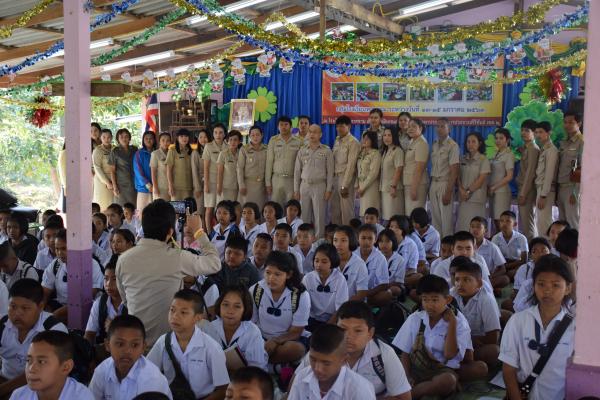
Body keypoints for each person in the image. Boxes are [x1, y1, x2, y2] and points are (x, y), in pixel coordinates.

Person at [116, 200, 220, 345]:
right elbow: (215, 263)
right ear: (171, 232)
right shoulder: (177, 257)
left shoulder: (123, 259)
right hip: (168, 344)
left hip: (136, 344)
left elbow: (126, 300)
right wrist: (198, 231)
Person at [500, 254, 574, 400]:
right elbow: (508, 369)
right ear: (533, 286)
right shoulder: (518, 321)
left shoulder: (574, 327)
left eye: (555, 285)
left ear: (568, 288)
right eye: (541, 284)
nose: (547, 290)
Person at [393, 275, 472, 399]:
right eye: (425, 300)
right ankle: (414, 391)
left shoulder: (459, 322)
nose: (429, 305)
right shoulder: (416, 318)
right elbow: (405, 353)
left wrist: (452, 323)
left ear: (448, 299)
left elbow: (449, 355)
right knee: (388, 367)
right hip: (416, 368)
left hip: (441, 370)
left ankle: (408, 395)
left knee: (448, 380)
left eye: (435, 300)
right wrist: (406, 378)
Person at [146, 290, 229, 399]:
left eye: (183, 312)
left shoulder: (211, 347)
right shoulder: (163, 342)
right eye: (172, 310)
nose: (175, 316)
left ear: (198, 318)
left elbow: (223, 389)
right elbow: (146, 372)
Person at [0, 279, 68, 398]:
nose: (17, 313)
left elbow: (42, 371)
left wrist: (3, 390)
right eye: (13, 306)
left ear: (40, 306)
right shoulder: (2, 325)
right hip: (5, 380)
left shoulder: (53, 330)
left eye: (25, 308)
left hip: (39, 388)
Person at [90, 315, 172, 399]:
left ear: (143, 347)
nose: (127, 351)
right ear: (107, 345)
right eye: (120, 344)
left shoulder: (153, 380)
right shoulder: (101, 372)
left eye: (134, 345)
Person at [249, 251, 310, 364]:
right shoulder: (256, 290)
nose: (271, 278)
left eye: (277, 274)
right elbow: (251, 323)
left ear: (289, 275)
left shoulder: (300, 295)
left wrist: (276, 341)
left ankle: (261, 362)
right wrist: (259, 341)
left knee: (296, 349)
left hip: (287, 340)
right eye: (268, 272)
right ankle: (275, 366)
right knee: (247, 345)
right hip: (261, 337)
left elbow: (296, 331)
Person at [288, 324, 376, 400]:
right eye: (313, 359)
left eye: (326, 363)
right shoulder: (302, 377)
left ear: (344, 360)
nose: (318, 369)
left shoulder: (360, 390)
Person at [8, 331, 93, 400]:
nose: (31, 369)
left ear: (65, 367)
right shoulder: (19, 396)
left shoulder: (82, 397)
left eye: (41, 362)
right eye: (28, 360)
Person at [42, 229, 104, 323]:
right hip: (61, 307)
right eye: (57, 249)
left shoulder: (90, 264)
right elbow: (44, 292)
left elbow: (87, 296)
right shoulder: (55, 265)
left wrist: (56, 315)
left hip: (85, 310)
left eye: (64, 249)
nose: (59, 253)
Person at [205, 285, 268, 371]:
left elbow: (257, 368)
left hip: (245, 377)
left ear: (245, 309)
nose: (230, 311)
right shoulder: (209, 328)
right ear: (219, 305)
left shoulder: (252, 332)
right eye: (225, 305)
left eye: (237, 306)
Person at [452, 260, 500, 370]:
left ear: (479, 283)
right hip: (453, 341)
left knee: (494, 351)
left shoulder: (487, 300)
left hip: (475, 344)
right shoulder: (452, 295)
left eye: (466, 280)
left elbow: (493, 338)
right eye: (457, 280)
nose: (460, 284)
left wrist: (468, 340)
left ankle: (456, 365)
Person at [293, 124, 333, 239]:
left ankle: (319, 239)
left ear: (320, 134)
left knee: (319, 215)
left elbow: (330, 172)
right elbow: (297, 171)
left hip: (320, 185)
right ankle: (304, 238)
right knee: (304, 215)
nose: (312, 134)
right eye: (310, 132)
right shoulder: (302, 150)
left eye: (315, 132)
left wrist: (328, 189)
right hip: (304, 185)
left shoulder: (326, 150)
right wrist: (296, 190)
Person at [302, 243, 348, 330]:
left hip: (333, 320)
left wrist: (327, 326)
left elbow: (341, 308)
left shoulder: (340, 279)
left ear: (332, 262)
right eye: (316, 261)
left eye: (324, 262)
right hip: (311, 318)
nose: (319, 265)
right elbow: (303, 304)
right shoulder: (308, 278)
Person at [84, 255, 127, 346]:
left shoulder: (131, 303)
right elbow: (89, 333)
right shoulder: (100, 302)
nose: (108, 284)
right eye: (106, 278)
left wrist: (115, 327)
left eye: (114, 279)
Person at [429, 118, 460, 237]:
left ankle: (448, 245)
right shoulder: (434, 144)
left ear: (449, 129)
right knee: (435, 219)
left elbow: (454, 170)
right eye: (437, 126)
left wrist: (449, 191)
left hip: (445, 183)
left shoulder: (453, 146)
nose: (439, 129)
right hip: (434, 183)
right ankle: (438, 246)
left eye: (442, 126)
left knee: (446, 220)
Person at [265, 116, 304, 207]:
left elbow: (301, 164)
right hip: (276, 179)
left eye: (286, 124)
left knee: (291, 208)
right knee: (276, 208)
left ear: (291, 126)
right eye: (281, 125)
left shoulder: (298, 141)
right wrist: (268, 183)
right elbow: (269, 162)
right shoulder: (273, 140)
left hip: (292, 180)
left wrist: (300, 183)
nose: (283, 127)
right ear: (278, 127)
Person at [457, 132, 490, 231]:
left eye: (473, 142)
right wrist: (461, 190)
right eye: (468, 142)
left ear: (479, 143)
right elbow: (457, 176)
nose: (470, 144)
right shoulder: (462, 158)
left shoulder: (484, 159)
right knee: (463, 227)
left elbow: (481, 179)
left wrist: (467, 192)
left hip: (476, 199)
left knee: (476, 229)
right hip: (463, 199)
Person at [331, 115, 361, 225]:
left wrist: (345, 185)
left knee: (346, 210)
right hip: (335, 177)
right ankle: (336, 232)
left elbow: (351, 165)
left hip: (346, 178)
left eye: (342, 126)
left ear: (349, 126)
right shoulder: (337, 140)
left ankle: (348, 233)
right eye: (337, 126)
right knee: (335, 209)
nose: (339, 129)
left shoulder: (353, 142)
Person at [557, 112, 584, 229]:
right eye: (565, 122)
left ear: (579, 124)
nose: (567, 125)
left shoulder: (582, 142)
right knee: (562, 224)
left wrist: (575, 192)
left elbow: (582, 169)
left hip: (572, 188)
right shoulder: (564, 142)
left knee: (573, 223)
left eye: (571, 122)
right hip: (561, 187)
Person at [516, 120, 540, 241]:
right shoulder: (527, 148)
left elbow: (530, 173)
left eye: (527, 130)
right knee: (525, 222)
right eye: (522, 130)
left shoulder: (533, 149)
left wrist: (523, 193)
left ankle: (532, 249)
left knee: (527, 223)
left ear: (534, 133)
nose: (523, 133)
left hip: (527, 190)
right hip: (523, 188)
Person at [535, 121, 560, 236]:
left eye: (541, 132)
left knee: (544, 223)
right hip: (541, 188)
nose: (538, 135)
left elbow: (549, 174)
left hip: (545, 191)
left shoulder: (551, 150)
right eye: (536, 132)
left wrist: (543, 195)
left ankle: (546, 245)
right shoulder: (544, 149)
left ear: (549, 133)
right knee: (540, 221)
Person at [354, 224, 389, 306]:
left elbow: (384, 284)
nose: (366, 242)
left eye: (370, 238)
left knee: (387, 295)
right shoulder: (352, 255)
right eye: (363, 238)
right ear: (358, 238)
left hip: (371, 293)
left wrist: (365, 294)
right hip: (354, 292)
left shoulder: (380, 257)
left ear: (375, 239)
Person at [470, 216, 508, 290]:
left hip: (486, 277)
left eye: (478, 227)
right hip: (468, 276)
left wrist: (490, 276)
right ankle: (487, 289)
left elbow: (502, 269)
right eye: (472, 227)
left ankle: (481, 288)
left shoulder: (492, 247)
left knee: (505, 279)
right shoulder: (466, 246)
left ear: (485, 230)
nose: (474, 229)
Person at [333, 226, 369, 302]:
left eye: (343, 240)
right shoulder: (329, 261)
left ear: (351, 241)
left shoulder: (359, 264)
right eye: (335, 240)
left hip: (352, 305)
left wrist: (343, 304)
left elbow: (361, 294)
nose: (338, 244)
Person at [489, 127, 515, 231]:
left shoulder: (509, 154)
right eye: (496, 138)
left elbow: (509, 176)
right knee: (495, 220)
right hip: (492, 191)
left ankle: (503, 240)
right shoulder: (496, 153)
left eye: (501, 138)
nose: (498, 140)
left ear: (507, 140)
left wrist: (494, 187)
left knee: (501, 221)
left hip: (502, 192)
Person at [204, 124, 228, 233]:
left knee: (221, 208)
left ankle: (220, 232)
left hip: (223, 182)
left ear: (224, 134)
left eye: (220, 132)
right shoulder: (208, 146)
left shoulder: (228, 146)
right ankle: (210, 233)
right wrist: (206, 184)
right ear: (213, 134)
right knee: (209, 208)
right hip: (211, 181)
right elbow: (206, 167)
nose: (218, 135)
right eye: (215, 132)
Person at [492, 211, 529, 280]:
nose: (504, 224)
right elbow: (493, 257)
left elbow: (524, 260)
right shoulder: (495, 238)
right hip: (501, 264)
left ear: (515, 224)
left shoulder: (521, 238)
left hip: (516, 264)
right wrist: (502, 267)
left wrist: (507, 266)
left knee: (514, 273)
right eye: (502, 221)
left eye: (508, 221)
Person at [403, 118, 429, 215]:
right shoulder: (412, 141)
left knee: (415, 215)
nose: (410, 129)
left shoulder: (421, 143)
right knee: (409, 214)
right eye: (409, 126)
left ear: (420, 128)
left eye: (414, 126)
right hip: (409, 182)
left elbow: (419, 168)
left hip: (417, 185)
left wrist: (414, 188)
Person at [238, 126, 268, 209]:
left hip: (262, 185)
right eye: (253, 135)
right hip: (248, 185)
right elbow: (240, 168)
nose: (255, 137)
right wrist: (241, 185)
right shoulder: (244, 149)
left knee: (261, 209)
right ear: (250, 136)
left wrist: (268, 184)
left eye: (257, 135)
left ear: (262, 135)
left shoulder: (267, 148)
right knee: (248, 208)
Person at [379, 127, 404, 220]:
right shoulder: (386, 151)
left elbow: (399, 169)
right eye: (384, 135)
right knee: (387, 217)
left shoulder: (398, 150)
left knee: (394, 217)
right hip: (385, 188)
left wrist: (393, 186)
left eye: (389, 135)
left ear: (394, 136)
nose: (386, 138)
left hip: (393, 189)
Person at [388, 215, 420, 288]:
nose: (392, 229)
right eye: (391, 227)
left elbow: (412, 269)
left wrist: (398, 275)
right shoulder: (385, 241)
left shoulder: (411, 244)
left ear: (403, 229)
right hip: (385, 276)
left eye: (396, 227)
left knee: (418, 276)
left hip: (402, 276)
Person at [109, 128, 138, 206]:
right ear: (118, 139)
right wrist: (115, 187)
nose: (124, 139)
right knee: (121, 208)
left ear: (129, 138)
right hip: (121, 185)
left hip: (134, 184)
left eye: (126, 136)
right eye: (121, 137)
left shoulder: (134, 149)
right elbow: (112, 171)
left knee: (134, 207)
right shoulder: (115, 151)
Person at [356, 131, 382, 217]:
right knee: (363, 212)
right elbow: (358, 170)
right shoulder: (361, 153)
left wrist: (363, 187)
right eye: (363, 138)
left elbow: (373, 173)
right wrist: (358, 186)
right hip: (361, 186)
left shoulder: (376, 153)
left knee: (370, 210)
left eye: (367, 139)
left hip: (370, 186)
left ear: (372, 140)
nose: (364, 140)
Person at [376, 228, 406, 297]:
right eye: (381, 241)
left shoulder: (400, 259)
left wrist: (383, 287)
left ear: (393, 242)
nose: (384, 244)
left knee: (396, 289)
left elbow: (399, 282)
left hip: (389, 286)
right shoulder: (375, 257)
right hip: (375, 286)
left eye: (387, 241)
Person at [166, 128, 193, 201]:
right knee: (177, 207)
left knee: (188, 207)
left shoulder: (191, 151)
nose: (184, 138)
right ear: (177, 138)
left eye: (186, 136)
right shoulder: (172, 150)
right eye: (181, 136)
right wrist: (170, 186)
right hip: (176, 187)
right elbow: (169, 170)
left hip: (189, 186)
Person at [92, 128, 115, 211]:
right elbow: (97, 168)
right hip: (102, 181)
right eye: (104, 137)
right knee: (102, 205)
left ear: (112, 138)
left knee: (113, 204)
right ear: (100, 138)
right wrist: (107, 182)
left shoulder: (115, 149)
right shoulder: (97, 150)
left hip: (114, 179)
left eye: (109, 137)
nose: (106, 139)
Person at [134, 131, 157, 211]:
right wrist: (148, 185)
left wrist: (155, 185)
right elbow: (138, 171)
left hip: (157, 187)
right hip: (143, 188)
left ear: (154, 140)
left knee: (156, 212)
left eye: (151, 138)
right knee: (143, 212)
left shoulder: (157, 152)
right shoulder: (139, 153)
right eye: (146, 138)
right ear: (143, 140)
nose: (148, 140)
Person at [217, 130, 242, 203]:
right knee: (226, 206)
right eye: (230, 139)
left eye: (235, 140)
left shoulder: (241, 153)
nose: (233, 142)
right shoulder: (223, 154)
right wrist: (219, 186)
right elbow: (220, 172)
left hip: (239, 187)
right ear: (227, 141)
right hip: (226, 187)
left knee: (236, 207)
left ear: (239, 141)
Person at [191, 128, 210, 219]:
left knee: (210, 210)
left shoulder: (212, 152)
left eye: (205, 137)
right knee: (200, 210)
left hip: (211, 184)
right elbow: (194, 171)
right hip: (200, 185)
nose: (203, 139)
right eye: (200, 137)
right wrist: (197, 187)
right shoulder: (195, 153)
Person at [150, 132, 172, 201]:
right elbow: (153, 173)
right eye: (163, 140)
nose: (165, 142)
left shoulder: (172, 153)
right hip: (160, 188)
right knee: (160, 207)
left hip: (172, 187)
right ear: (159, 142)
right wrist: (155, 187)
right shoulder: (155, 154)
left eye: (168, 140)